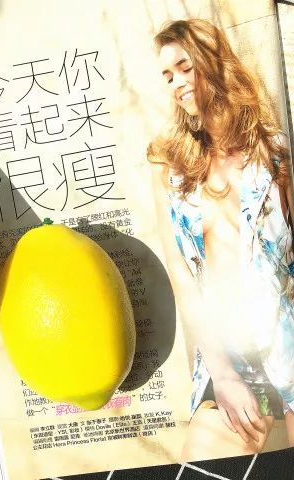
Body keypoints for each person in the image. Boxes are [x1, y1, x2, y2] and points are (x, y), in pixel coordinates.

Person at [146, 18, 294, 459]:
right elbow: (181, 275)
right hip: (225, 354)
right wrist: (222, 373)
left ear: (212, 62)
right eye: (167, 75)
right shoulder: (170, 165)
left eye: (184, 67)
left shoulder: (276, 153)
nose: (176, 83)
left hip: (285, 340)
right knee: (203, 457)